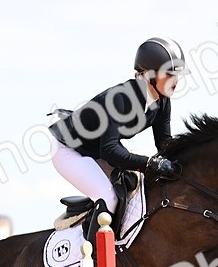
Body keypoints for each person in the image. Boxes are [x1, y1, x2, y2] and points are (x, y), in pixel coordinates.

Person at [48, 37, 187, 232]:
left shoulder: (162, 102)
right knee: (109, 197)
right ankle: (94, 257)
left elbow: (165, 144)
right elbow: (110, 151)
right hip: (68, 149)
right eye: (169, 74)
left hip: (95, 150)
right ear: (147, 75)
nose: (175, 81)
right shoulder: (121, 99)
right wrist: (149, 164)